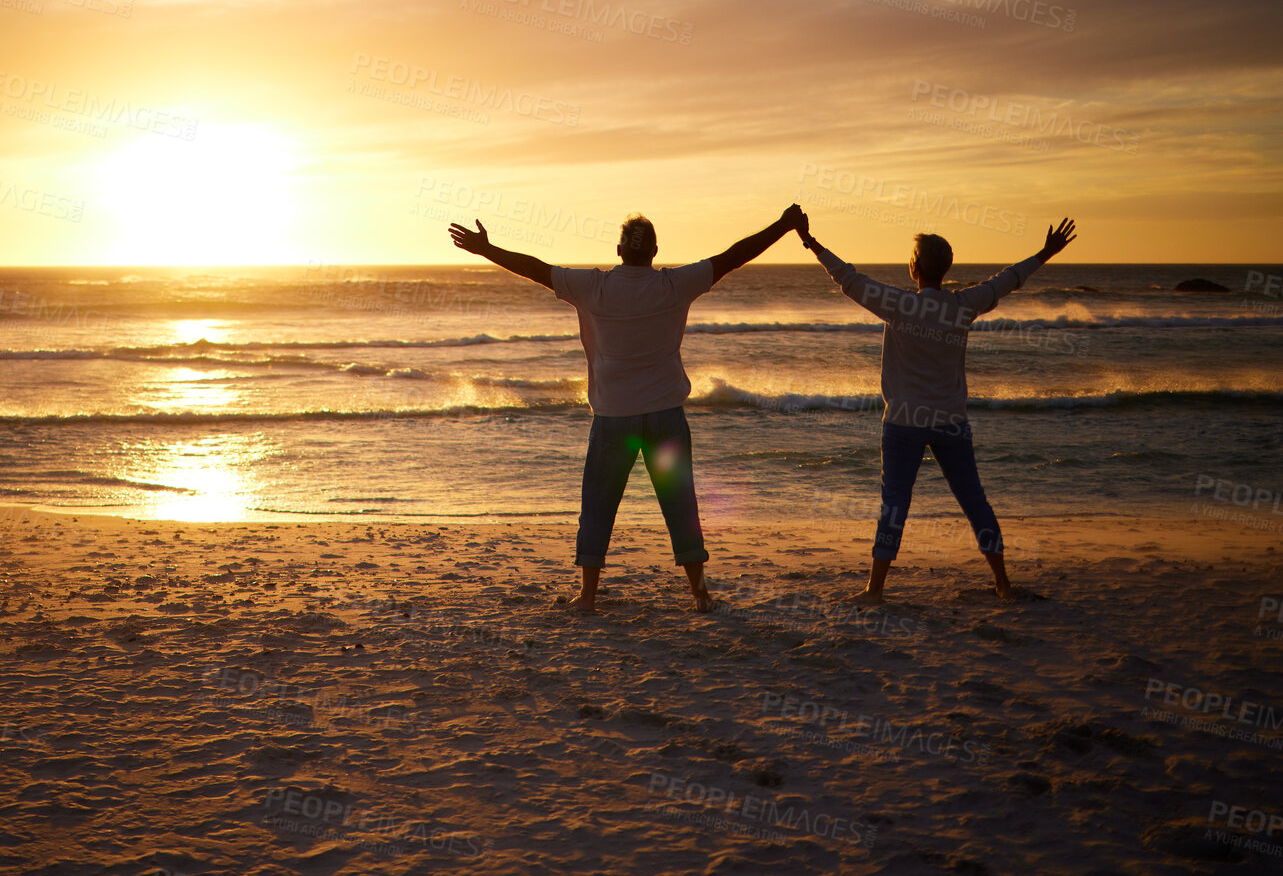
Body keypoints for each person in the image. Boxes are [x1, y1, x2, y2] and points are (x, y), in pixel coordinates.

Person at [448, 206, 807, 613]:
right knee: (680, 505)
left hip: (613, 418)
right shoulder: (675, 283)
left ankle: (587, 597)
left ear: (619, 249)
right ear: (655, 250)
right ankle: (701, 595)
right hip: (665, 416)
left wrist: (487, 249)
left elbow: (534, 268)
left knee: (598, 506)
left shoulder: (593, 286)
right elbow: (733, 255)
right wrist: (783, 225)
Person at [794, 213, 1078, 605]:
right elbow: (1009, 279)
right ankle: (1003, 584)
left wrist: (812, 242)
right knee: (974, 500)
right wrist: (1046, 252)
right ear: (947, 268)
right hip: (951, 421)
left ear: (913, 268)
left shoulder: (898, 304)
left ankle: (875, 590)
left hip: (904, 422)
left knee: (894, 504)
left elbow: (848, 278)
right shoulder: (962, 306)